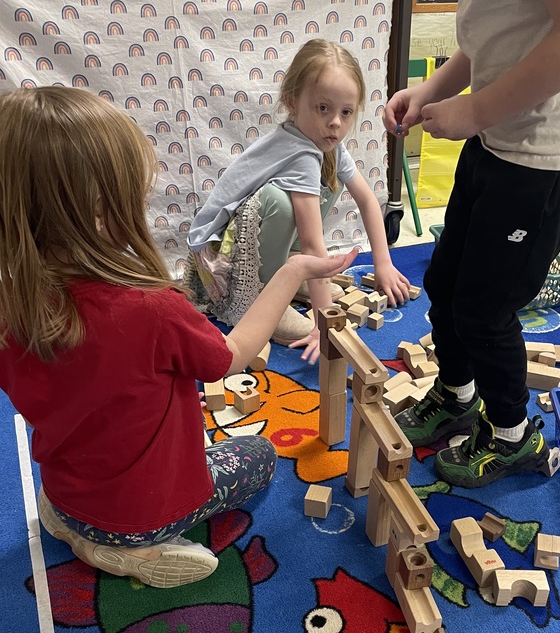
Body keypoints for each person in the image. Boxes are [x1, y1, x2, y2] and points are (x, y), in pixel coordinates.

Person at [0, 87, 358, 588]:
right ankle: (138, 550)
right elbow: (230, 358)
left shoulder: (11, 305)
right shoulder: (151, 308)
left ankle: (72, 524)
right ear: (103, 210)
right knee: (260, 457)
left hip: (66, 492)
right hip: (145, 513)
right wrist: (292, 270)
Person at [383, 0, 560, 489]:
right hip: (501, 136)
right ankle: (457, 397)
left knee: (486, 309)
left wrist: (478, 109)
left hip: (545, 154)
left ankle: (514, 436)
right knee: (446, 283)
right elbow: (500, 32)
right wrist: (435, 88)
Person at [187, 38, 411, 364]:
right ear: (293, 102)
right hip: (219, 257)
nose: (335, 122)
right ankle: (267, 293)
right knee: (279, 201)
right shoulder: (301, 153)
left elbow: (365, 198)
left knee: (329, 183)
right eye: (323, 108)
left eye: (346, 112)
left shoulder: (323, 140)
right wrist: (324, 323)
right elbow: (312, 244)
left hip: (246, 242)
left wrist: (384, 263)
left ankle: (288, 273)